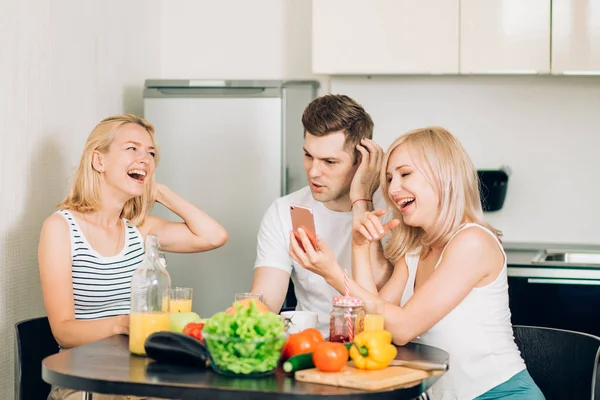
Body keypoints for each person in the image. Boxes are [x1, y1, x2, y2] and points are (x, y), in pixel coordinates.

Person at [289, 126, 545, 399]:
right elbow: (370, 324)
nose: (393, 188)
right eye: (388, 178)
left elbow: (403, 328)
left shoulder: (472, 242)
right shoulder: (414, 250)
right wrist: (359, 246)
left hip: (499, 394)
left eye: (405, 174)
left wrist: (333, 275)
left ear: (443, 176)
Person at [39, 114, 228, 400]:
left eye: (151, 153)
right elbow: (63, 332)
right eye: (132, 148)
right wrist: (124, 324)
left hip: (140, 375)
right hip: (85, 382)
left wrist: (161, 193)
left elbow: (213, 236)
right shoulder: (61, 228)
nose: (145, 159)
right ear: (98, 161)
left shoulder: (140, 229)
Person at [250, 94, 391, 335]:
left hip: (378, 344)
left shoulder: (392, 210)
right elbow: (265, 302)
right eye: (308, 156)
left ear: (362, 160)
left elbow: (381, 304)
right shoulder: (284, 211)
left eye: (329, 161)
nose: (314, 172)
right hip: (310, 347)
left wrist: (362, 200)